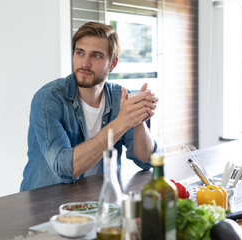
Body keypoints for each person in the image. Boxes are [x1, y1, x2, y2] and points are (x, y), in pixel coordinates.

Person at [20, 22, 158, 191]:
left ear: (113, 63)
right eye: (80, 53)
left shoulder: (119, 98)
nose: (85, 63)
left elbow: (146, 161)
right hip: (46, 205)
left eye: (96, 56)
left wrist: (139, 120)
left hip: (98, 200)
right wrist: (121, 123)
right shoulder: (48, 99)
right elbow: (65, 168)